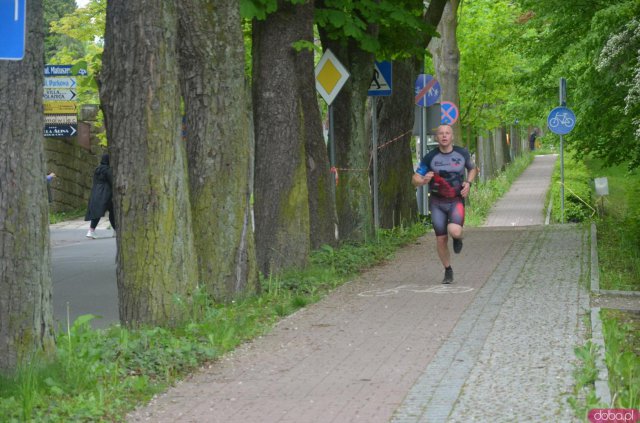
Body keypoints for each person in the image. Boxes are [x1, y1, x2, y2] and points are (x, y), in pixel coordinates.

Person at [412, 124, 478, 284]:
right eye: (441, 133)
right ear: (437, 138)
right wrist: (423, 180)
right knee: (441, 239)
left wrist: (468, 183)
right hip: (437, 202)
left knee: (454, 231)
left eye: (447, 133)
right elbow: (414, 179)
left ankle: (458, 238)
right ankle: (448, 270)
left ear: (452, 136)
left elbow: (473, 169)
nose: (444, 136)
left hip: (455, 200)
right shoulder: (430, 157)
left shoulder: (461, 153)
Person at [84, 154, 116, 239]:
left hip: (95, 192)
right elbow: (112, 182)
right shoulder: (108, 170)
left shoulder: (97, 169)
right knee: (113, 212)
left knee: (99, 212)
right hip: (105, 194)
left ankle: (91, 230)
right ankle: (115, 230)